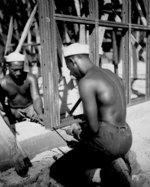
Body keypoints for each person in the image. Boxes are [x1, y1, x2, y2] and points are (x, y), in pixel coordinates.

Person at [50, 43, 133, 187]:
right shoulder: (110, 73)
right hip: (126, 137)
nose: (71, 73)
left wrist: (77, 132)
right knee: (86, 153)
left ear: (73, 61)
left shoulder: (86, 81)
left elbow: (93, 128)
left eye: (69, 68)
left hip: (108, 143)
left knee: (58, 169)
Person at [0, 51, 44, 126]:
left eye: (21, 69)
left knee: (43, 120)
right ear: (7, 67)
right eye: (15, 70)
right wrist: (11, 112)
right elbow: (1, 103)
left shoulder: (30, 78)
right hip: (13, 110)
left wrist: (39, 113)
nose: (19, 73)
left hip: (30, 108)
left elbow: (36, 97)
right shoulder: (2, 83)